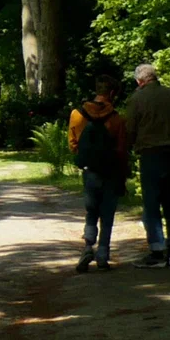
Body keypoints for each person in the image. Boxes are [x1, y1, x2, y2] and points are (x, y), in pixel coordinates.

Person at [121, 62, 170, 268]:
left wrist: (126, 151)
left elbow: (130, 129)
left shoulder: (137, 99)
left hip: (150, 154)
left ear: (140, 80)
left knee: (152, 203)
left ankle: (156, 250)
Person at [67, 76, 130, 272]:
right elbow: (121, 149)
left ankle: (87, 247)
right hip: (111, 172)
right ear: (111, 94)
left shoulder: (77, 114)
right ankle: (103, 254)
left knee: (91, 211)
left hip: (90, 172)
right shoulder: (118, 119)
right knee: (107, 215)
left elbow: (72, 145)